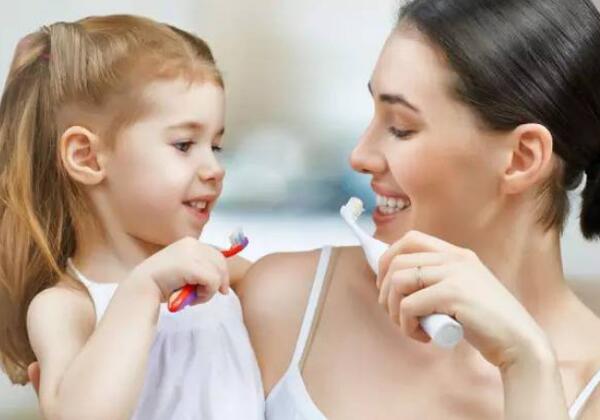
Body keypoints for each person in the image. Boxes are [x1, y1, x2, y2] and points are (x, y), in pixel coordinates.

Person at [238, 0, 600, 418]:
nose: (360, 155)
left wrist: (527, 363)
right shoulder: (287, 303)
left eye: (400, 128)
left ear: (522, 158)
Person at [0, 14, 262, 420]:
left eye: (215, 146)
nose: (214, 169)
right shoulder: (68, 307)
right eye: (184, 144)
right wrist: (142, 289)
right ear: (87, 157)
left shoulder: (223, 274)